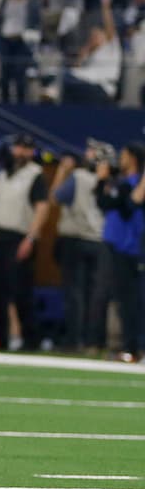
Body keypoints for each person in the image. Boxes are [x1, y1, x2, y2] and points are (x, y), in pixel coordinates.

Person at [0, 135, 49, 351]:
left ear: (32, 152)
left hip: (20, 237)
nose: (21, 152)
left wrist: (31, 237)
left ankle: (31, 341)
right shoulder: (3, 173)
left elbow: (42, 208)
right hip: (0, 237)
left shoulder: (35, 174)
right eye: (19, 147)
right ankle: (0, 339)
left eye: (26, 149)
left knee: (21, 292)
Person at [50, 144, 106, 353]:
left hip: (76, 238)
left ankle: (74, 340)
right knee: (94, 294)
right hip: (99, 240)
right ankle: (93, 341)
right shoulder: (107, 180)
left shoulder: (79, 176)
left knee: (74, 292)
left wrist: (62, 171)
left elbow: (55, 197)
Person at [94, 144, 143, 362]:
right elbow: (104, 202)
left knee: (134, 299)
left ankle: (134, 347)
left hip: (132, 247)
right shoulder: (124, 183)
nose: (119, 160)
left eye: (123, 156)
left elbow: (129, 205)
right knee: (123, 299)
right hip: (118, 246)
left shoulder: (135, 184)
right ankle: (129, 346)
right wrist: (102, 180)